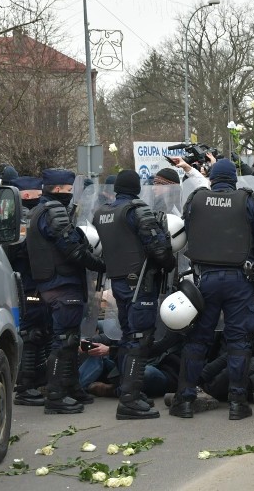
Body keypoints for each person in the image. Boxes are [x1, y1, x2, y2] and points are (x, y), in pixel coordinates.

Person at [170, 159, 254, 420]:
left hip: (205, 279)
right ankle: (237, 402)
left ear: (212, 178)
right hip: (240, 278)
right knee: (238, 340)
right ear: (234, 179)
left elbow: (186, 232)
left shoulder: (196, 199)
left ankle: (184, 400)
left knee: (197, 339)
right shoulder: (248, 200)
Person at [92, 170, 176, 420]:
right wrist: (169, 262)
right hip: (140, 283)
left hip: (118, 282)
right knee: (140, 340)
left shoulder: (102, 213)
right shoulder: (137, 211)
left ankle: (133, 392)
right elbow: (158, 247)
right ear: (137, 188)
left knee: (130, 337)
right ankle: (129, 400)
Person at [27, 169, 106, 414]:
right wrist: (100, 264)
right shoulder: (54, 210)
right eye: (69, 189)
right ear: (59, 189)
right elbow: (70, 248)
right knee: (64, 341)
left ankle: (71, 387)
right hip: (61, 283)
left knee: (68, 339)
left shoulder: (38, 210)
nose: (71, 194)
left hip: (51, 283)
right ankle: (56, 395)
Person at [7, 176, 51, 406]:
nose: (41, 197)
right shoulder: (22, 218)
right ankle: (25, 386)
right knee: (31, 332)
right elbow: (19, 250)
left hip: (32, 282)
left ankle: (35, 379)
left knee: (40, 330)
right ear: (26, 195)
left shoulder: (22, 215)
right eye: (38, 193)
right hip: (26, 284)